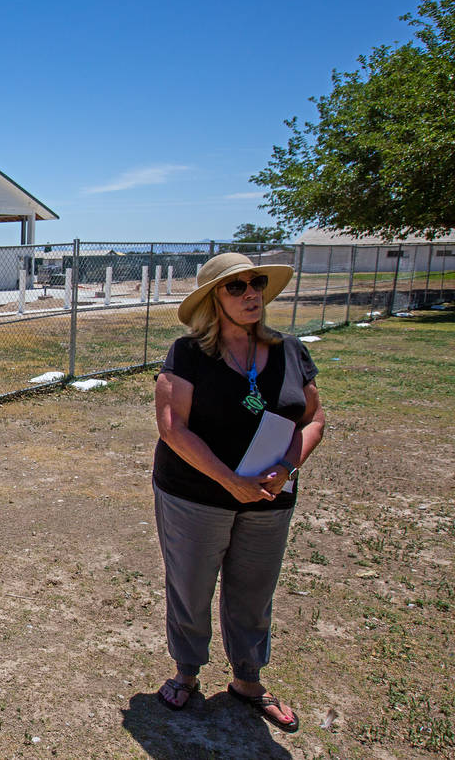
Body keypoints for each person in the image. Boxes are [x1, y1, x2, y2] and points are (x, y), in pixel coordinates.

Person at [151, 252, 325, 732]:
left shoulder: (291, 350)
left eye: (257, 283)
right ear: (213, 300)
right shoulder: (188, 354)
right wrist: (231, 481)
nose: (252, 293)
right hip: (195, 496)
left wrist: (288, 466)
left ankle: (248, 678)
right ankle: (186, 673)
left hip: (271, 497)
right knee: (191, 585)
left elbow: (312, 419)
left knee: (254, 591)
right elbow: (172, 428)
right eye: (237, 287)